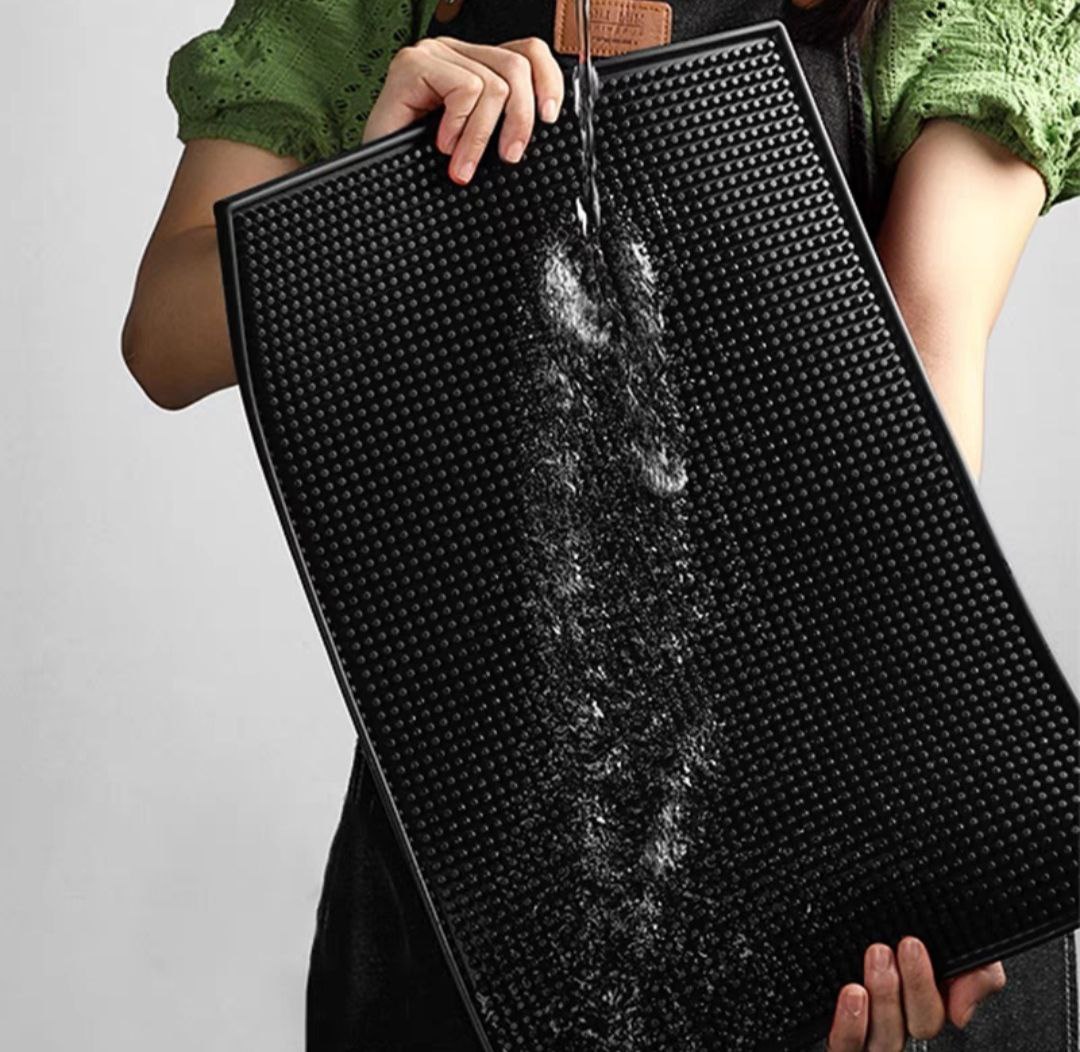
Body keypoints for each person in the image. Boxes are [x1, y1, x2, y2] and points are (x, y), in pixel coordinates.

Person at [122, 1, 1080, 1049]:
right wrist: (370, 192)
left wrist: (911, 836)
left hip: (823, 793)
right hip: (472, 839)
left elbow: (912, 386)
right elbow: (163, 334)